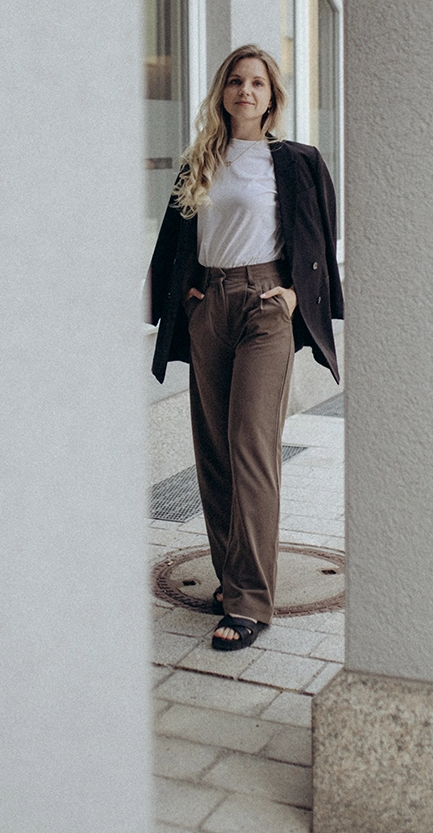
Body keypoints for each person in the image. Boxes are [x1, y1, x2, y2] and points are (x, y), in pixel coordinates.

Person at [148, 44, 343, 650]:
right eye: (236, 81)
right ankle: (232, 578)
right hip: (212, 307)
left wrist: (290, 295)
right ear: (222, 92)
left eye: (257, 83)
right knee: (212, 450)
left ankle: (251, 600)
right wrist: (186, 302)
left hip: (265, 307)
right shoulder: (199, 162)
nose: (246, 92)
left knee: (250, 446)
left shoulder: (297, 161)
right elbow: (176, 241)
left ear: (272, 96)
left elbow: (318, 236)